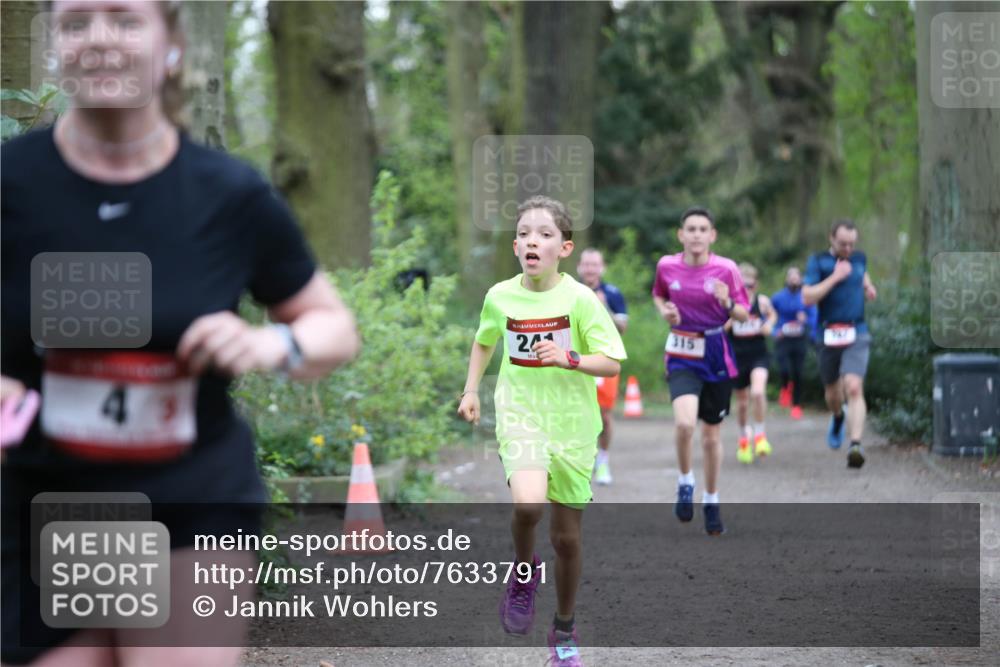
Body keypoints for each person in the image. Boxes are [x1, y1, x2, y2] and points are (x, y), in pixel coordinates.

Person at [1, 2, 360, 665]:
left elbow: (333, 326)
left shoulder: (228, 193)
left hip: (191, 500)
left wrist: (267, 344)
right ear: (55, 45)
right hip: (46, 501)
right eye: (77, 22)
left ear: (171, 42)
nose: (100, 39)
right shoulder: (12, 185)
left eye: (124, 19)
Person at [457, 196, 626, 667]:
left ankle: (565, 629)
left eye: (545, 233)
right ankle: (524, 572)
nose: (534, 239)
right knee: (528, 504)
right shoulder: (500, 296)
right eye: (526, 232)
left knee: (567, 539)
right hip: (521, 413)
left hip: (572, 425)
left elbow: (610, 362)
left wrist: (569, 357)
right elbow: (484, 339)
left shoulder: (580, 299)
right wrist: (471, 390)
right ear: (516, 246)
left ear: (564, 248)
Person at [652, 206, 749, 535]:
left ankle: (711, 498)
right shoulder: (667, 265)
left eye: (702, 229)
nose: (696, 234)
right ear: (681, 235)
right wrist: (666, 312)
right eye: (690, 228)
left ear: (712, 235)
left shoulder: (727, 269)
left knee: (710, 438)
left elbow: (745, 316)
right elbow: (659, 295)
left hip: (715, 354)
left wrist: (727, 304)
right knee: (684, 424)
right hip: (681, 352)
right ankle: (684, 482)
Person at [802, 219, 877, 468]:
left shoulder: (859, 258)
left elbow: (862, 271)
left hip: (857, 330)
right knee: (833, 393)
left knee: (854, 386)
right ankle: (837, 416)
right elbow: (807, 296)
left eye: (852, 244)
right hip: (829, 333)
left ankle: (855, 444)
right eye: (843, 244)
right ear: (831, 239)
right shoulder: (818, 261)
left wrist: (868, 285)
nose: (848, 249)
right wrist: (835, 277)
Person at [576, 248, 628, 485]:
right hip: (575, 358)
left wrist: (603, 307)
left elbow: (623, 328)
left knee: (604, 415)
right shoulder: (568, 291)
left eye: (594, 264)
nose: (590, 269)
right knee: (574, 411)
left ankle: (603, 460)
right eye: (586, 264)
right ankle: (579, 461)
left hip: (604, 359)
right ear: (579, 267)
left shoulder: (613, 293)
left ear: (602, 268)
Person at [725, 263, 777, 464]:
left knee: (757, 392)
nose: (747, 289)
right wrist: (731, 320)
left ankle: (760, 436)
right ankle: (743, 439)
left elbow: (773, 315)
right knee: (743, 402)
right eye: (743, 286)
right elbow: (721, 326)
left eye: (751, 285)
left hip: (758, 354)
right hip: (737, 356)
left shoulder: (762, 302)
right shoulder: (730, 304)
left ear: (756, 284)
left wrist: (769, 325)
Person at [771, 267, 817, 420]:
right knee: (784, 368)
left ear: (801, 279)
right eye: (791, 276)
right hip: (783, 338)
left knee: (798, 373)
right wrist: (774, 330)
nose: (794, 279)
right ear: (787, 279)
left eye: (796, 277)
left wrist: (807, 323)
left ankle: (796, 406)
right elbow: (768, 315)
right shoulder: (778, 298)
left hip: (799, 339)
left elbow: (814, 317)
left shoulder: (806, 298)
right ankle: (785, 387)